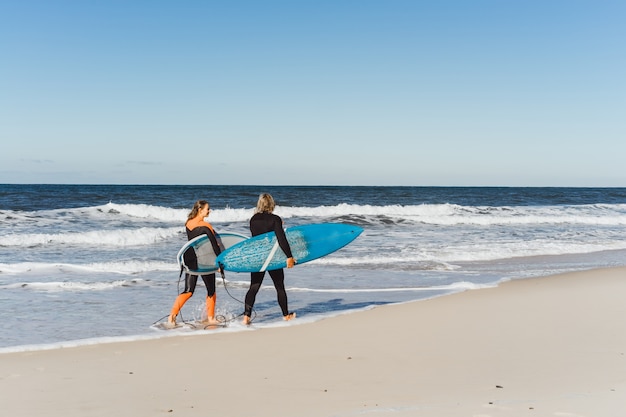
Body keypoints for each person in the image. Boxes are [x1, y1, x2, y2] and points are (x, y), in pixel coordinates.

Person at [242, 193, 297, 325]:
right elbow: (281, 239)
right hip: (272, 257)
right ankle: (285, 315)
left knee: (254, 287)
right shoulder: (275, 219)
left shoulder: (253, 219)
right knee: (279, 287)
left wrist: (276, 224)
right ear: (272, 204)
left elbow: (258, 237)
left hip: (258, 256)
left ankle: (246, 317)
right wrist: (289, 256)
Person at [168, 200, 222, 326]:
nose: (209, 211)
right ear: (200, 210)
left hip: (189, 259)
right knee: (211, 290)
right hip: (204, 260)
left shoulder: (188, 223)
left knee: (188, 290)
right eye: (208, 209)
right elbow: (215, 246)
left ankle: (172, 316)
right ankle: (210, 318)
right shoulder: (206, 226)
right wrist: (219, 263)